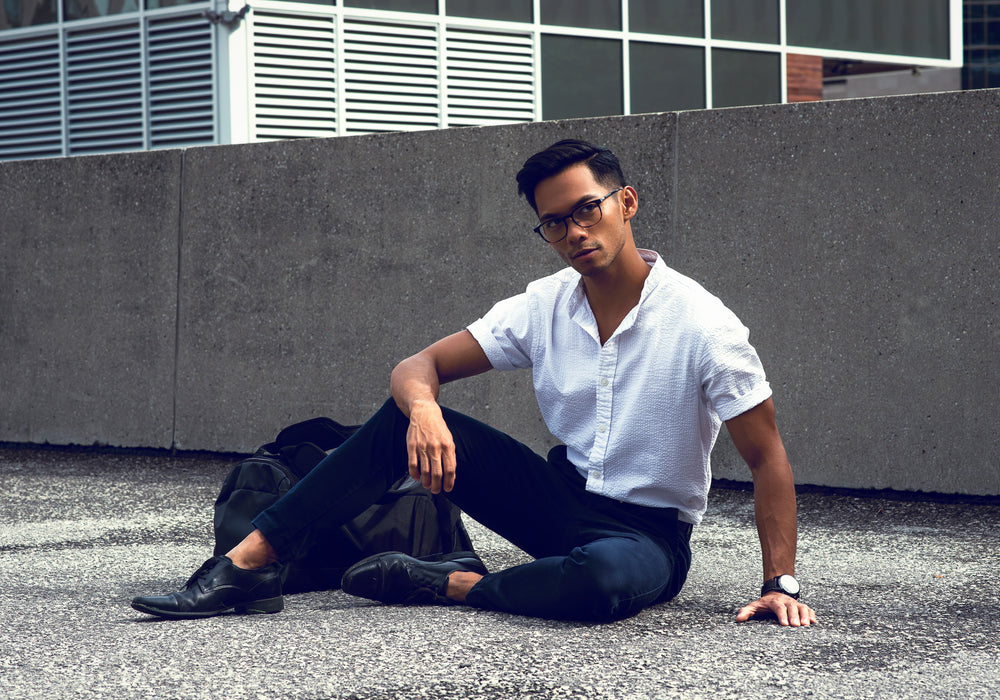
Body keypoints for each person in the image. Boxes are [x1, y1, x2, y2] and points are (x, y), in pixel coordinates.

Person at [132, 139, 816, 627]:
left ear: (625, 202)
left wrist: (777, 581)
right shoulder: (545, 305)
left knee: (601, 584)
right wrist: (424, 409)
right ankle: (249, 564)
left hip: (645, 538)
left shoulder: (703, 323)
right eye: (554, 222)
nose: (575, 231)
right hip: (555, 501)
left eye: (587, 209)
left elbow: (766, 457)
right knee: (405, 415)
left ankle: (453, 582)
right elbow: (414, 366)